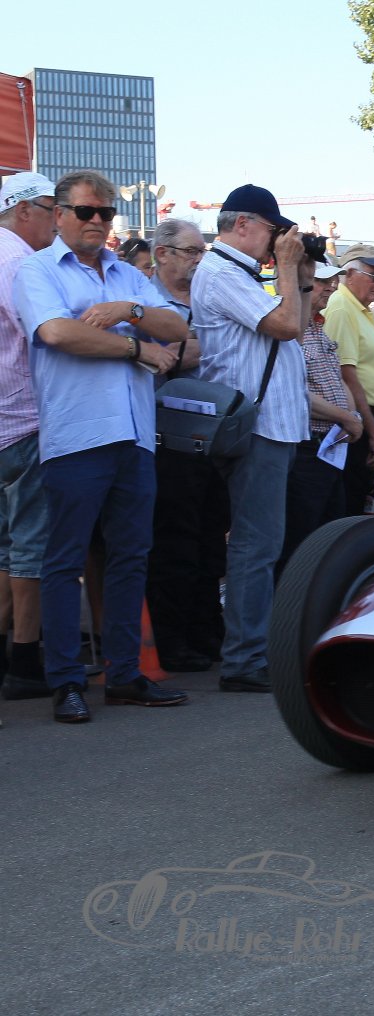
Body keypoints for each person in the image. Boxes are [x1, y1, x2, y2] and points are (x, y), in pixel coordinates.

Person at [13, 169, 191, 720]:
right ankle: (66, 680)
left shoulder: (125, 275)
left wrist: (127, 312)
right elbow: (56, 333)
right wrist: (136, 349)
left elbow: (177, 329)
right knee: (65, 560)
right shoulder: (36, 269)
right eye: (86, 211)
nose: (97, 221)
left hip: (134, 435)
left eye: (106, 213)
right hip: (77, 434)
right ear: (59, 214)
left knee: (130, 558)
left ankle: (125, 675)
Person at [191, 184, 316, 693]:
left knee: (262, 542)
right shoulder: (221, 272)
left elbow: (298, 325)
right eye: (273, 229)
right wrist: (285, 266)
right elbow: (284, 325)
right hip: (257, 427)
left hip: (272, 425)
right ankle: (245, 658)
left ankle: (251, 650)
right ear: (242, 224)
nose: (278, 239)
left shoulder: (241, 273)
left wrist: (301, 275)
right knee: (255, 545)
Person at [142, 218, 223, 674]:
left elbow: (195, 351)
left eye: (201, 252)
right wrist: (185, 345)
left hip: (214, 434)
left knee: (211, 539)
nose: (199, 260)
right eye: (191, 251)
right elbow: (178, 355)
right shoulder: (146, 296)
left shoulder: (207, 296)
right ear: (163, 254)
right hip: (168, 436)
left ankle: (205, 632)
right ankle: (172, 641)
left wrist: (189, 345)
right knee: (175, 541)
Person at [0, 172, 58, 701]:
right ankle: (24, 658)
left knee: (5, 548)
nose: (58, 220)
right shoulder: (19, 262)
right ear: (23, 211)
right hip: (21, 420)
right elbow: (44, 335)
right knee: (30, 547)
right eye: (51, 209)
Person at [279, 261, 363, 574]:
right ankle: (289, 601)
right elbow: (294, 394)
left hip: (328, 450)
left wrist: (352, 416)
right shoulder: (291, 332)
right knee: (301, 541)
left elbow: (338, 379)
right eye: (322, 281)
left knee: (328, 538)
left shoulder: (318, 326)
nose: (331, 287)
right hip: (306, 449)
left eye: (332, 281)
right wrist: (348, 418)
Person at [324, 243, 374, 515]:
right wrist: (373, 433)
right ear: (349, 274)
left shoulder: (358, 308)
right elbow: (346, 374)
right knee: (356, 506)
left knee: (365, 505)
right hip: (363, 423)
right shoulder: (342, 307)